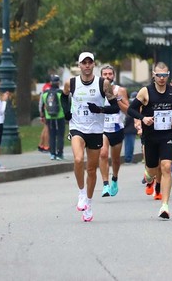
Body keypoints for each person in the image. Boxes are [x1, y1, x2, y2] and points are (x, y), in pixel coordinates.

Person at [64, 52, 120, 222]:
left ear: (93, 64)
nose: (87, 66)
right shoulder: (72, 83)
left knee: (91, 169)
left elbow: (115, 107)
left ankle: (88, 203)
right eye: (84, 63)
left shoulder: (103, 84)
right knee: (78, 159)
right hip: (77, 127)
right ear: (79, 65)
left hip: (95, 130)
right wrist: (66, 111)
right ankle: (81, 192)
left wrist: (100, 109)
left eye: (89, 63)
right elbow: (63, 96)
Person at [126, 62, 172, 219]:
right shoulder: (146, 91)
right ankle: (148, 175)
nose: (161, 78)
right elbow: (131, 109)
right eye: (159, 75)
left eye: (165, 75)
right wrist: (143, 118)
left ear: (168, 75)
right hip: (150, 136)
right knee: (153, 169)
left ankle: (164, 206)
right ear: (154, 74)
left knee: (166, 166)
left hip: (167, 135)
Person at [99, 65, 130, 198]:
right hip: (102, 128)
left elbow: (128, 110)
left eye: (109, 74)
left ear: (114, 76)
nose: (107, 76)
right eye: (104, 74)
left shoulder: (120, 90)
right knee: (103, 154)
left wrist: (118, 100)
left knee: (116, 159)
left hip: (117, 128)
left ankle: (115, 179)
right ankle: (105, 184)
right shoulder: (96, 90)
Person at [41, 75, 66, 160]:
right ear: (58, 82)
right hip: (60, 116)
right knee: (60, 135)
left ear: (50, 83)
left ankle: (52, 154)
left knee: (52, 135)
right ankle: (59, 154)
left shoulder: (44, 93)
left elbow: (41, 105)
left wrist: (43, 115)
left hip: (49, 117)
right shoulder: (61, 93)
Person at [123, 91, 139, 163]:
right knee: (129, 145)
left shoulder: (128, 105)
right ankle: (128, 159)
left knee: (129, 144)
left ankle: (128, 158)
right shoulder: (133, 106)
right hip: (130, 128)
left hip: (129, 128)